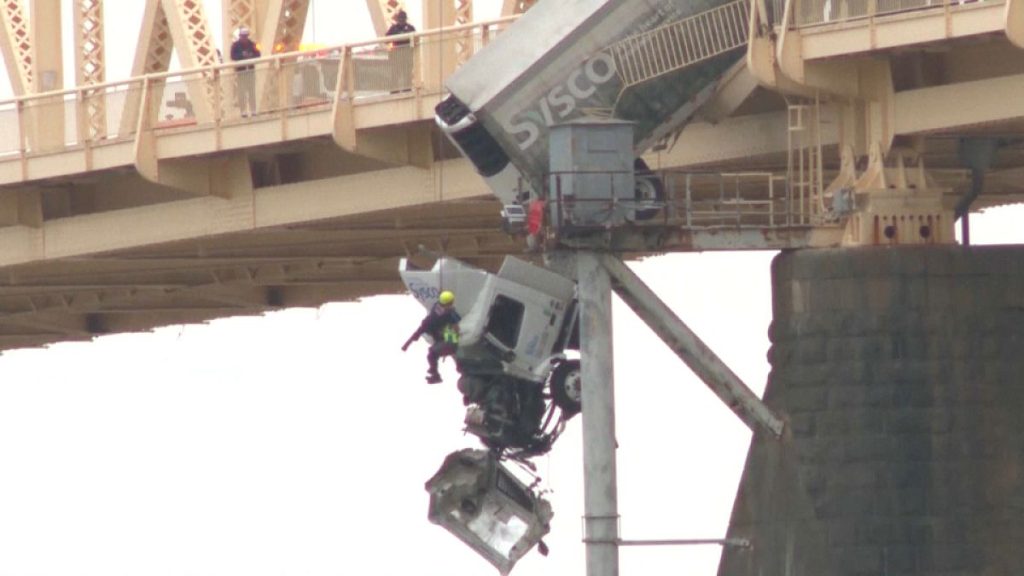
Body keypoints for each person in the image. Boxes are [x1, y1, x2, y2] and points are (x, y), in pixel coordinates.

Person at [402, 290, 460, 384]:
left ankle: (436, 373)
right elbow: (455, 327)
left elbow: (455, 328)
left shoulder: (441, 309)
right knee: (434, 352)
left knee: (433, 353)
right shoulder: (449, 314)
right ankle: (436, 373)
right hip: (442, 334)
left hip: (446, 336)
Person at [230, 27, 261, 117]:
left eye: (245, 36)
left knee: (252, 91)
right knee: (242, 92)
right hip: (241, 72)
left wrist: (250, 55)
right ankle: (243, 111)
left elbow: (258, 54)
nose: (244, 38)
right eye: (243, 36)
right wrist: (242, 55)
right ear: (240, 36)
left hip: (250, 71)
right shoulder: (235, 45)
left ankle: (253, 110)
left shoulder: (253, 44)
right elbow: (233, 56)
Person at [385, 10, 416, 92]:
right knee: (395, 72)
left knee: (407, 73)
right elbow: (386, 40)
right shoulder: (393, 28)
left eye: (403, 18)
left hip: (407, 54)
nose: (401, 20)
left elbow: (416, 40)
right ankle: (394, 90)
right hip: (396, 55)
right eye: (400, 18)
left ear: (405, 19)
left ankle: (407, 90)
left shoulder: (410, 28)